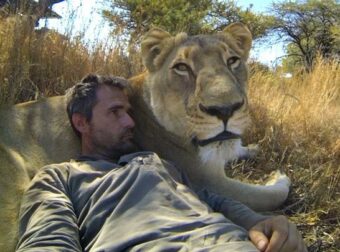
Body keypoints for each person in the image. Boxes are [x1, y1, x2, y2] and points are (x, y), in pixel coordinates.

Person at [16, 74, 307, 252]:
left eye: (129, 112)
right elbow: (48, 240)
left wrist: (259, 222)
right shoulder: (58, 176)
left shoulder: (155, 162)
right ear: (81, 123)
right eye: (116, 112)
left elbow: (210, 199)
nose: (131, 122)